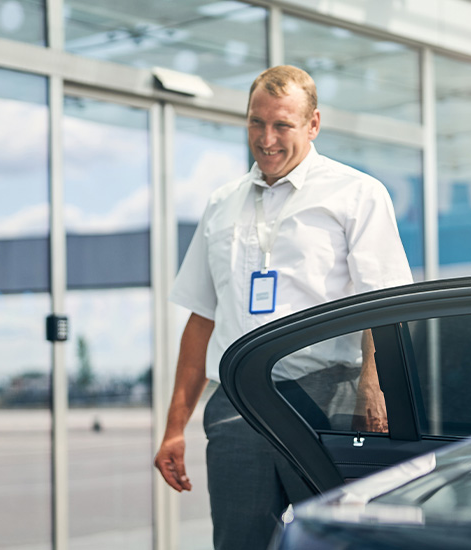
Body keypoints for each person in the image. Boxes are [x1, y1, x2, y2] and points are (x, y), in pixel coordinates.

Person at [154, 65, 413, 550]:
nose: (266, 138)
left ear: (313, 124)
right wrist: (174, 427)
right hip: (237, 402)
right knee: (239, 541)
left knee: (334, 540)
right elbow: (201, 318)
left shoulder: (356, 194)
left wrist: (374, 388)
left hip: (328, 399)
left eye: (282, 125)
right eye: (257, 122)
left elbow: (385, 303)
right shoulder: (221, 204)